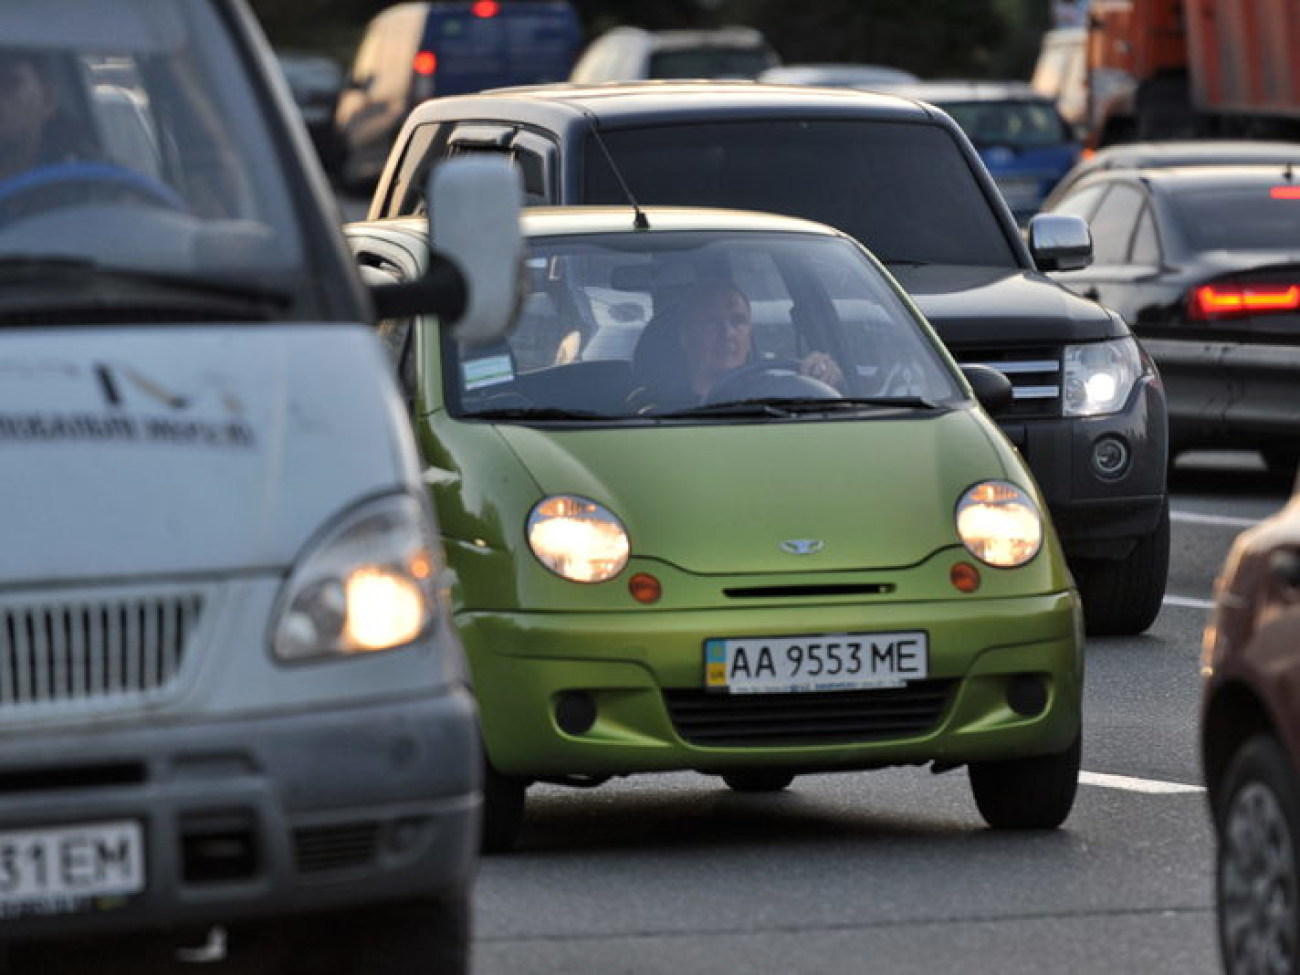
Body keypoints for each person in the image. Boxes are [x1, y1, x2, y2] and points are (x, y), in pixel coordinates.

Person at [632, 279, 844, 408]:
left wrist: (824, 383)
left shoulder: (778, 396)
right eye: (710, 322)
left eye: (737, 320)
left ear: (750, 333)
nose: (728, 333)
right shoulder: (653, 407)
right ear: (685, 336)